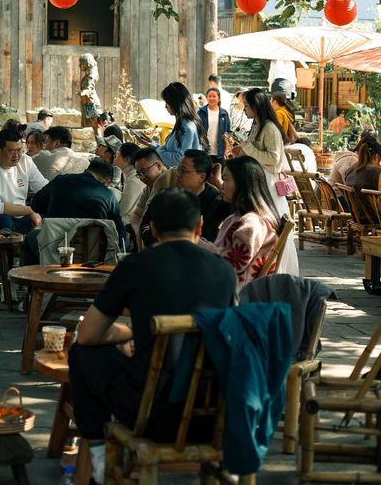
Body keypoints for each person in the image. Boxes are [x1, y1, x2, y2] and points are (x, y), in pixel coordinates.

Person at [68, 187, 237, 485]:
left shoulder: (136, 265)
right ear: (199, 227)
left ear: (154, 229)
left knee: (81, 353)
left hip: (149, 415)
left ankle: (97, 455)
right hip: (210, 416)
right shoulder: (224, 272)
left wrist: (129, 333)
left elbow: (88, 335)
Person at [232, 87, 299, 275]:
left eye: (246, 105)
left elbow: (275, 160)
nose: (244, 109)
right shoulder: (256, 124)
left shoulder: (269, 127)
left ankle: (278, 271)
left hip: (268, 184)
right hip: (258, 182)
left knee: (272, 226)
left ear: (255, 106)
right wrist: (242, 151)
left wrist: (247, 148)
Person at [199, 155, 281, 289]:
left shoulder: (252, 223)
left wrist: (198, 244)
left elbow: (233, 264)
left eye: (225, 179)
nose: (221, 184)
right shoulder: (238, 217)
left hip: (235, 294)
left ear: (242, 184)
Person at [27, 158, 126, 258]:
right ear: (106, 182)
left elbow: (35, 205)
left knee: (30, 237)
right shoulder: (108, 195)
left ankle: (36, 272)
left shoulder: (60, 180)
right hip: (92, 254)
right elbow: (119, 232)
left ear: (85, 171)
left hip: (53, 249)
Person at [0, 126, 48, 233]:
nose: (16, 156)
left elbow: (44, 189)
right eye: (11, 151)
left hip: (18, 217)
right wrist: (29, 211)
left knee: (48, 220)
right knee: (4, 221)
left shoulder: (25, 161)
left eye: (19, 150)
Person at [142, 81, 206, 167]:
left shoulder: (187, 127)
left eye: (167, 102)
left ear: (175, 102)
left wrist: (157, 151)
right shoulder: (183, 123)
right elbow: (172, 150)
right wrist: (153, 145)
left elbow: (179, 159)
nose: (165, 106)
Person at [175, 148, 233, 241]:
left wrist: (218, 182)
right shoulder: (169, 196)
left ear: (202, 177)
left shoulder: (216, 203)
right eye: (178, 169)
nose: (177, 174)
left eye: (183, 171)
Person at [129, 147, 177, 248]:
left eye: (144, 171)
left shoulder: (175, 179)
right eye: (138, 174)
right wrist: (140, 233)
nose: (142, 178)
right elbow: (136, 215)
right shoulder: (148, 189)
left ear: (158, 165)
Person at [197, 87, 231, 160]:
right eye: (209, 96)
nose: (212, 98)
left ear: (218, 99)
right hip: (204, 151)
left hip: (219, 152)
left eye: (214, 96)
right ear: (206, 98)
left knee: (218, 171)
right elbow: (196, 130)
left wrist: (226, 149)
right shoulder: (200, 112)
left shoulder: (224, 114)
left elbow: (228, 132)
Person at [114, 142, 143, 224]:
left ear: (127, 159)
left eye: (117, 153)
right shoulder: (130, 175)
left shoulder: (133, 179)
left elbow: (122, 209)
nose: (114, 156)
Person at [79, 52, 101, 133]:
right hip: (87, 103)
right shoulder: (89, 74)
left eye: (81, 63)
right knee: (86, 127)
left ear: (86, 63)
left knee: (95, 127)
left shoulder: (92, 75)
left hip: (91, 104)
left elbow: (90, 86)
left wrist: (83, 92)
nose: (79, 65)